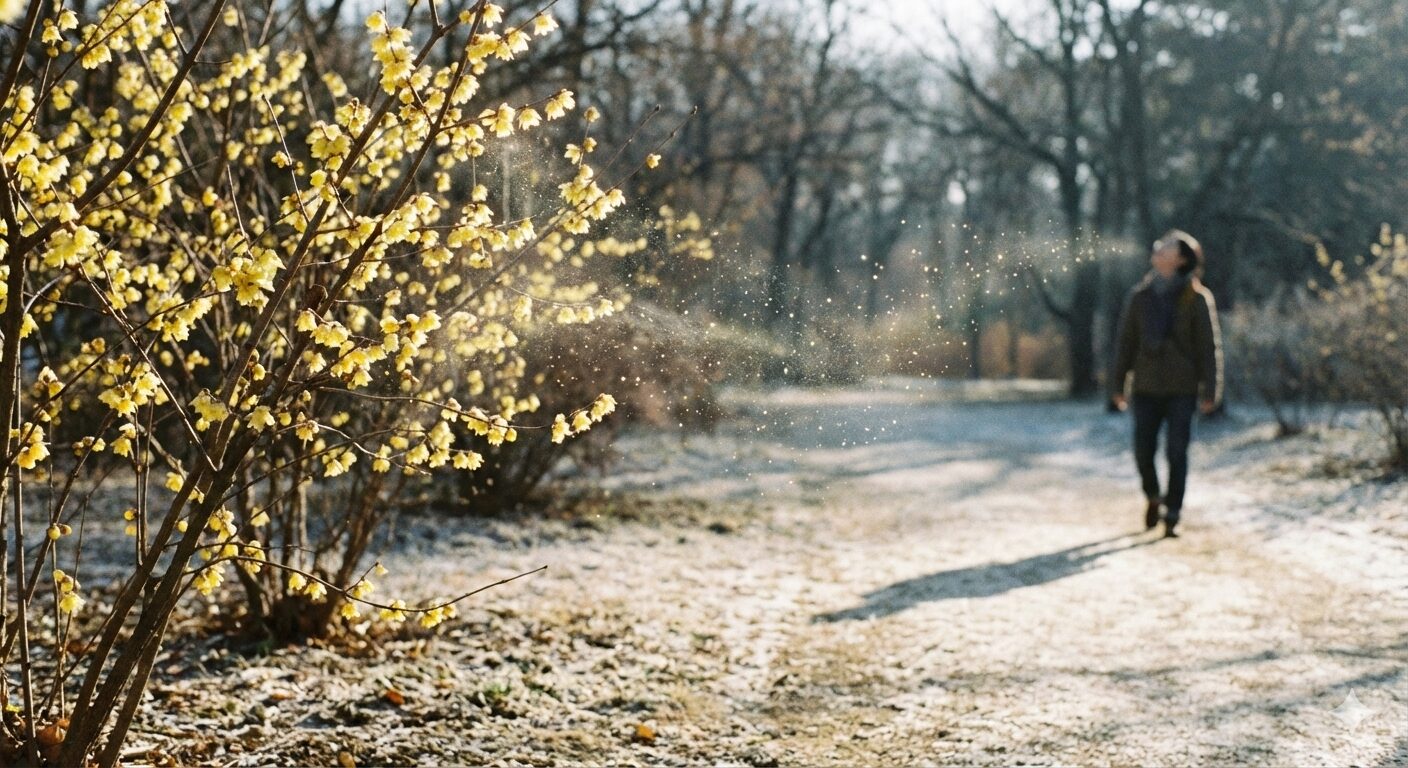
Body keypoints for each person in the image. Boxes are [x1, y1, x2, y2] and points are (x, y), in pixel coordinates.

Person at [1110, 230, 1222, 538]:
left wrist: (1211, 390)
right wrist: (1117, 386)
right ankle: (1153, 496)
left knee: (1177, 452)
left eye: (1167, 246)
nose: (1158, 248)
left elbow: (1208, 348)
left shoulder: (1197, 299)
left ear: (1181, 259)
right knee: (1143, 451)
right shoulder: (1139, 297)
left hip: (1182, 389)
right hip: (1145, 388)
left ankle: (1173, 513)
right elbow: (1125, 344)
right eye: (1159, 245)